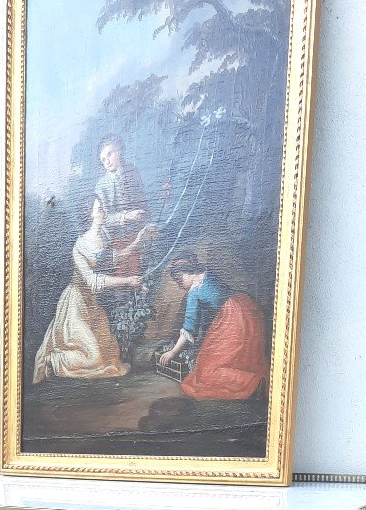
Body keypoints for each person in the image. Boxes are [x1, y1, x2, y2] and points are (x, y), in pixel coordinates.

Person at [33, 197, 152, 383]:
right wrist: (128, 280)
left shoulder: (104, 234)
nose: (103, 212)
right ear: (89, 215)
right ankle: (53, 360)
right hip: (75, 304)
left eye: (102, 208)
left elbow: (114, 258)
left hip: (91, 303)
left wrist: (137, 241)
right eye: (99, 209)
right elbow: (93, 281)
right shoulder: (79, 247)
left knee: (111, 355)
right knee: (94, 358)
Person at [159, 251, 269, 401]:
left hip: (232, 319)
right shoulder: (207, 273)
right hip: (247, 309)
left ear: (188, 271)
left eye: (179, 279)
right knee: (240, 359)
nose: (179, 285)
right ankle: (254, 380)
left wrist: (173, 352)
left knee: (206, 372)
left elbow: (189, 326)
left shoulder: (193, 293)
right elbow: (210, 309)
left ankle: (253, 382)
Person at [95, 134, 148, 278]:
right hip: (117, 238)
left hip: (138, 230)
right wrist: (126, 216)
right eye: (103, 160)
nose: (107, 161)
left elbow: (142, 199)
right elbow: (102, 218)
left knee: (141, 270)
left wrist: (145, 220)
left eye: (109, 154)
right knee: (124, 274)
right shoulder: (101, 185)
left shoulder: (133, 171)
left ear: (119, 150)